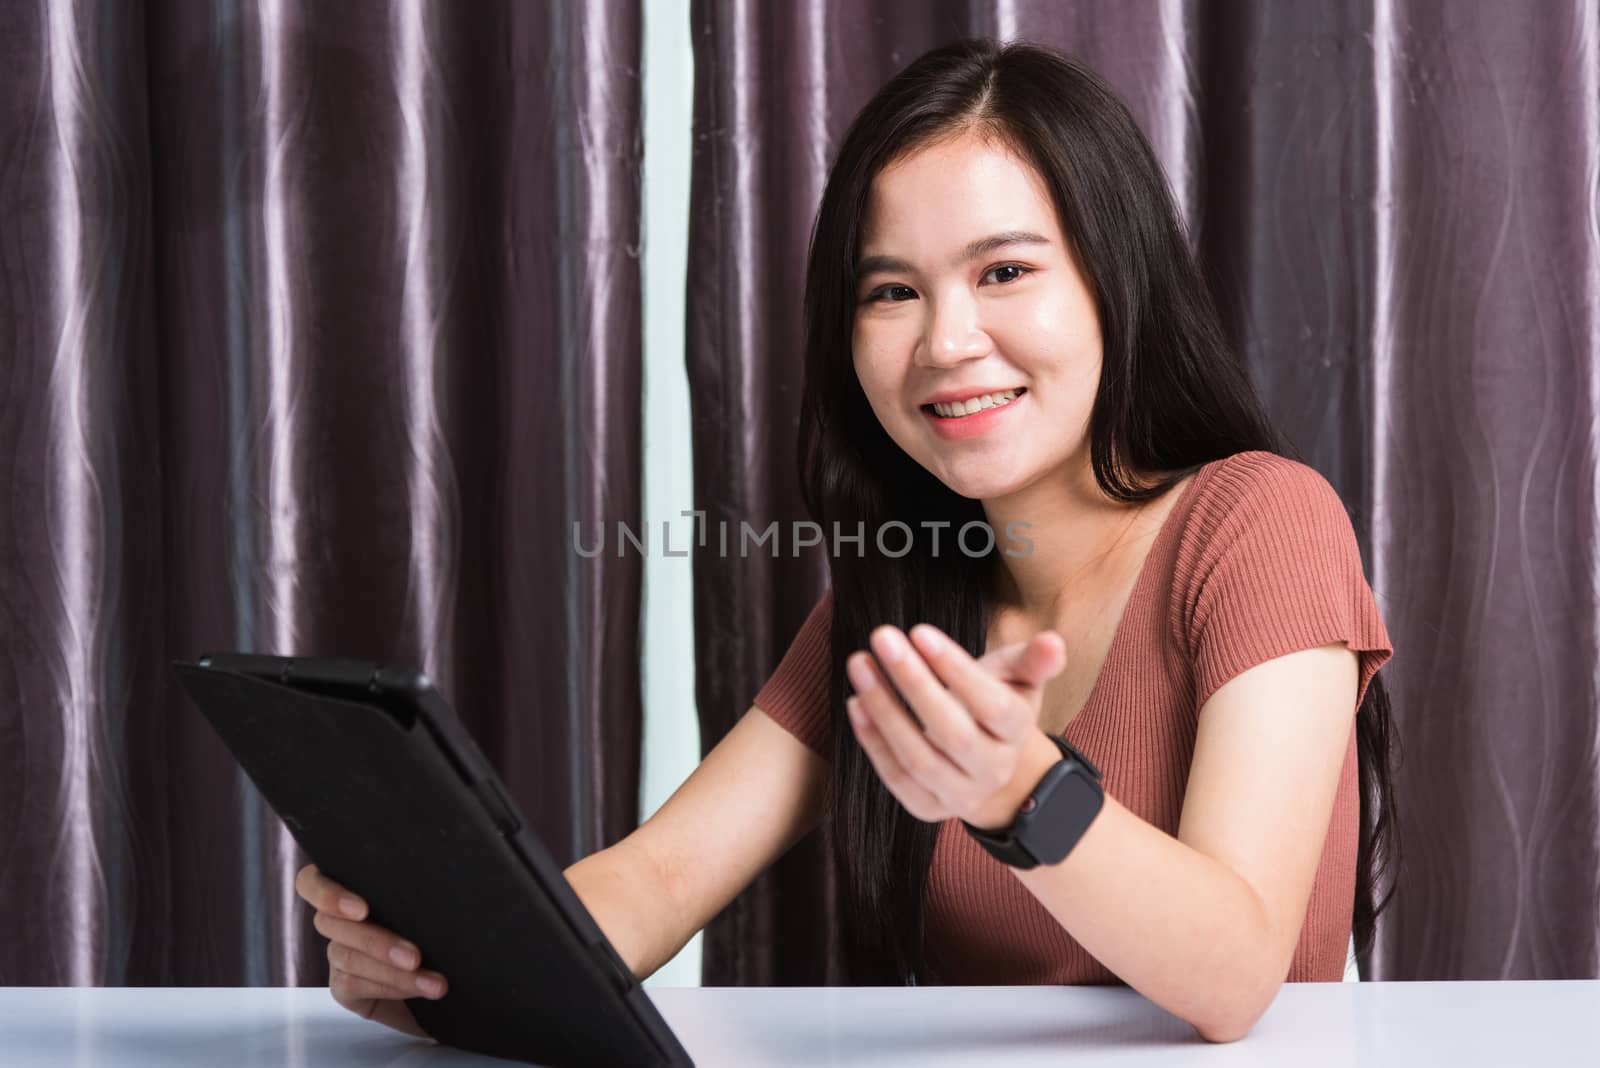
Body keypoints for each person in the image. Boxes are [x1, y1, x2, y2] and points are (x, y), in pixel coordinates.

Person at [294, 37, 1398, 1045]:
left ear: (1119, 284)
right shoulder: (896, 607)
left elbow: (1236, 972)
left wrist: (1021, 790)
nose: (945, 341)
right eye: (891, 291)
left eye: (1004, 271)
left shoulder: (1260, 521)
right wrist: (435, 961)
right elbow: (656, 882)